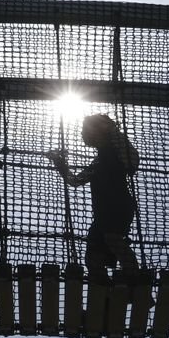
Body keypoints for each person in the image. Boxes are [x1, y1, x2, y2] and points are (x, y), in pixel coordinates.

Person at [48, 113, 149, 303]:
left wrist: (112, 130)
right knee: (92, 256)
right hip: (102, 214)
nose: (83, 134)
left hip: (118, 204)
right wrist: (60, 164)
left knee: (113, 238)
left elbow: (133, 161)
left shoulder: (115, 150)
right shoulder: (98, 161)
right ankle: (104, 296)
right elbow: (74, 180)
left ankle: (135, 283)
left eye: (87, 129)